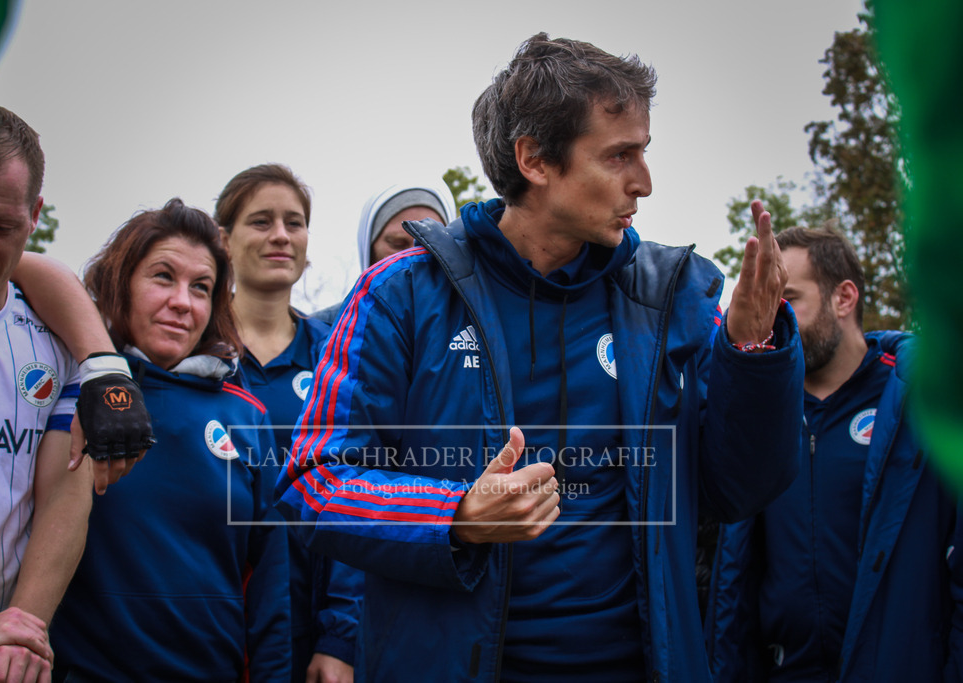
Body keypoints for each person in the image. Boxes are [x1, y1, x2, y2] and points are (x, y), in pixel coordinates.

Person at [277, 33, 803, 682]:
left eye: (644, 152)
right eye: (619, 155)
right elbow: (313, 481)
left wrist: (753, 355)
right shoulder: (401, 295)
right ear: (535, 159)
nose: (644, 181)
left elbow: (739, 488)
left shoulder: (674, 295)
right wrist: (455, 514)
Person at [706, 226, 963, 682]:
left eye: (786, 299)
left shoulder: (928, 405)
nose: (769, 317)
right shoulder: (754, 416)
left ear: (844, 299)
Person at [49, 198, 290, 681]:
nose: (183, 301)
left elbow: (271, 586)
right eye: (163, 277)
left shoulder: (246, 416)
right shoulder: (69, 391)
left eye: (201, 287)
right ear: (121, 284)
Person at [0, 103, 94, 682]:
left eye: (0, 227)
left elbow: (64, 495)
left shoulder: (64, 344)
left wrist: (18, 637)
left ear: (33, 217)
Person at [215, 163, 360, 682]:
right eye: (260, 221)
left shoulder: (339, 354)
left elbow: (359, 497)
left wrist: (342, 636)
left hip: (314, 628)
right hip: (215, 625)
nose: (280, 235)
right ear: (223, 240)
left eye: (293, 222)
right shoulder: (188, 355)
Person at [315, 180, 455, 324]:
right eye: (398, 244)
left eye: (428, 246)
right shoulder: (323, 331)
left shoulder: (473, 328)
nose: (413, 259)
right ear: (370, 251)